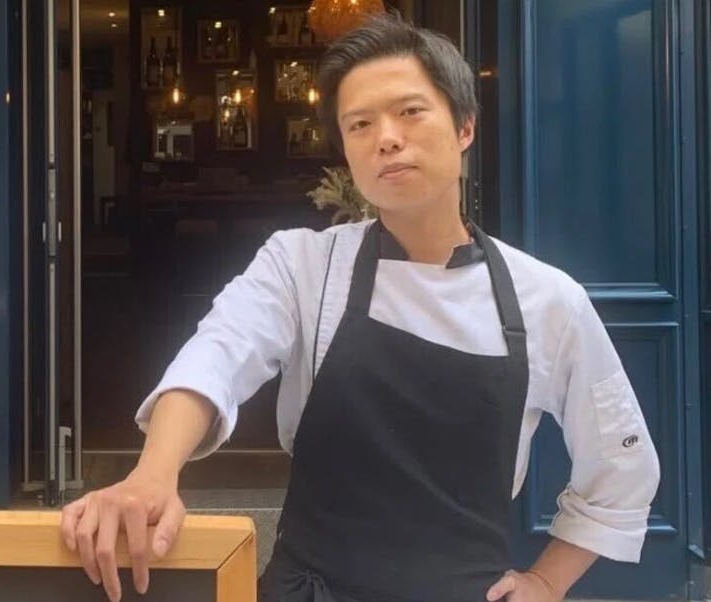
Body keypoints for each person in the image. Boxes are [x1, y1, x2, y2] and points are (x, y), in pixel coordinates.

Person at [60, 14, 660, 602]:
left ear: (464, 128)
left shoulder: (548, 299)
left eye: (410, 111)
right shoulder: (303, 263)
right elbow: (217, 352)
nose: (386, 138)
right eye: (360, 124)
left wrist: (548, 581)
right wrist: (153, 472)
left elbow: (623, 466)